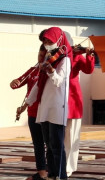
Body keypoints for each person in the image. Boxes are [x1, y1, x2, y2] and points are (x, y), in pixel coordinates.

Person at [26, 27, 73, 180]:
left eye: (49, 41)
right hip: (45, 106)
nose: (47, 44)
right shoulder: (48, 58)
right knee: (48, 145)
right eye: (45, 41)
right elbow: (39, 84)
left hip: (57, 106)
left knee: (57, 145)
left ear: (59, 40)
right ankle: (52, 174)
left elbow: (59, 81)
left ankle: (61, 175)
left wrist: (51, 70)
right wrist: (28, 101)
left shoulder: (65, 60)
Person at [11, 44, 47, 180]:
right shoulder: (32, 71)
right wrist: (13, 82)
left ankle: (52, 169)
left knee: (50, 144)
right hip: (32, 113)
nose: (41, 59)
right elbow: (19, 82)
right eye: (39, 56)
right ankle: (42, 171)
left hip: (46, 113)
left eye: (44, 57)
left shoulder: (50, 70)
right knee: (38, 144)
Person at [65, 43, 95, 176]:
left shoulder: (77, 56)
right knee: (56, 136)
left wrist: (88, 55)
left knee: (72, 135)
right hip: (58, 98)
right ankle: (57, 164)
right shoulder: (60, 55)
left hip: (72, 98)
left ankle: (68, 167)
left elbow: (88, 70)